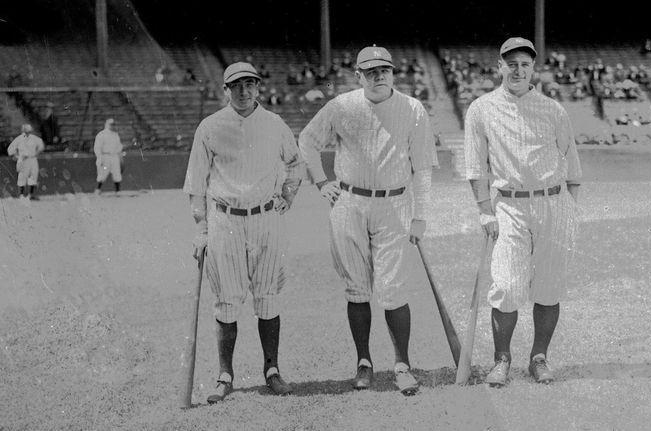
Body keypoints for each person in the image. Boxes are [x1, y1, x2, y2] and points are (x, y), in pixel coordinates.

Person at [299, 45, 436, 396]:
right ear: (358, 76)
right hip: (349, 201)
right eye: (371, 72)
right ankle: (364, 362)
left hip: (395, 203)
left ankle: (402, 364)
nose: (379, 77)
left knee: (392, 290)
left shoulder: (412, 109)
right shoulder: (341, 106)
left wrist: (420, 217)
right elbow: (307, 141)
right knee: (357, 288)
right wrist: (321, 180)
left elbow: (422, 169)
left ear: (393, 73)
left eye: (384, 70)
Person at [463, 37, 582, 386]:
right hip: (509, 206)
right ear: (499, 66)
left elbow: (572, 166)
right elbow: (475, 167)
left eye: (524, 65)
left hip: (553, 203)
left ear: (533, 69)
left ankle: (539, 358)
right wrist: (484, 211)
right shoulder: (481, 109)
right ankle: (502, 360)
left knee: (549, 286)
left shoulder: (553, 109)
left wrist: (569, 210)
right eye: (511, 63)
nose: (517, 70)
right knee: (507, 285)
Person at [183, 62, 303, 404]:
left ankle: (272, 370)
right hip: (225, 221)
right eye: (237, 85)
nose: (244, 90)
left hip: (266, 218)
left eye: (250, 84)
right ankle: (225, 375)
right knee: (226, 302)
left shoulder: (274, 123)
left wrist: (288, 195)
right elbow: (197, 182)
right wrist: (200, 227)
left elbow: (295, 163)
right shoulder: (210, 127)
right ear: (226, 90)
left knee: (267, 297)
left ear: (258, 87)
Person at [7, 124, 45, 200]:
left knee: (33, 175)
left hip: (32, 158)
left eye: (29, 131)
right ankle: (21, 195)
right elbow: (10, 149)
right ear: (23, 130)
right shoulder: (19, 139)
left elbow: (41, 146)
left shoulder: (34, 138)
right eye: (26, 131)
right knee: (22, 176)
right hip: (23, 159)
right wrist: (17, 156)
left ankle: (31, 195)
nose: (27, 133)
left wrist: (36, 153)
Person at [93, 118, 124, 194]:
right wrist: (99, 158)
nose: (112, 126)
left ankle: (118, 191)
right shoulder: (101, 134)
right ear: (106, 124)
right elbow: (97, 147)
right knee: (103, 173)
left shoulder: (115, 135)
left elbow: (119, 147)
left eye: (113, 124)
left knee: (116, 173)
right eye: (111, 124)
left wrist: (120, 158)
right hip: (105, 156)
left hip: (114, 156)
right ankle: (98, 189)